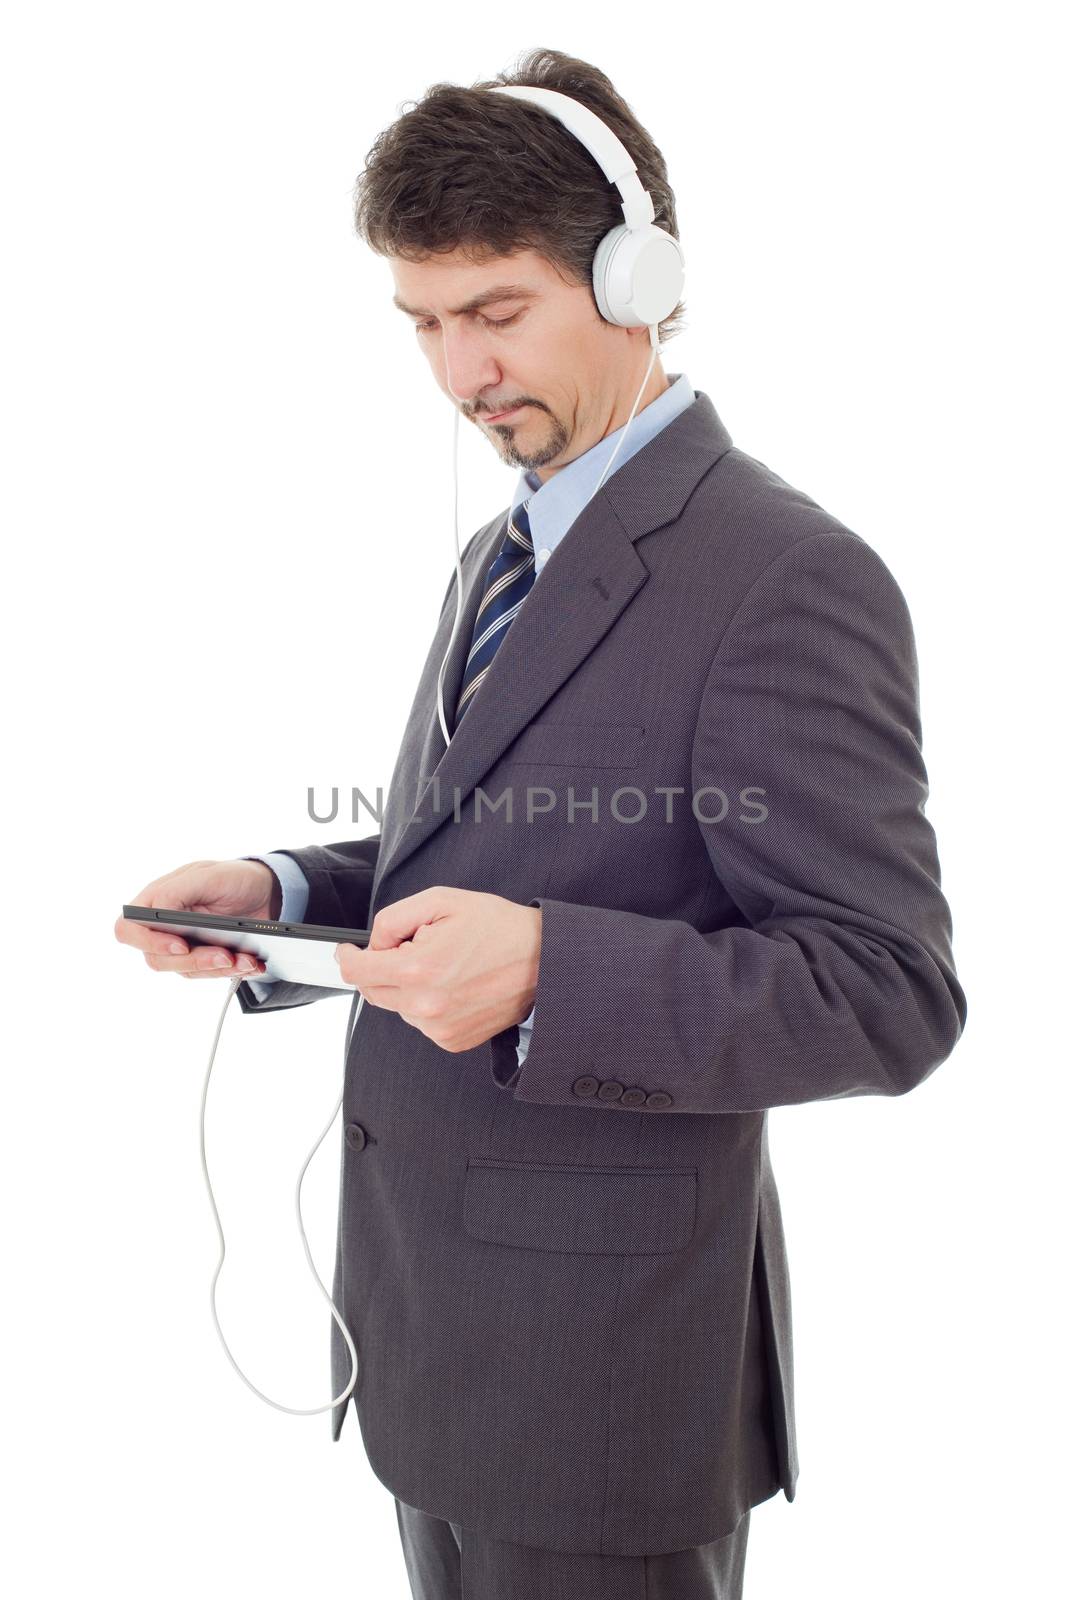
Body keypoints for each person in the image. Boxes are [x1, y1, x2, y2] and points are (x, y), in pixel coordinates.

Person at [115, 47, 967, 1600]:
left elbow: (887, 991)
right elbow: (502, 850)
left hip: (603, 1387)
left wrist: (545, 979)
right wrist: (286, 888)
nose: (457, 374)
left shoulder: (784, 577)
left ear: (638, 277)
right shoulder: (509, 548)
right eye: (424, 326)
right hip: (434, 1345)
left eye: (496, 314)